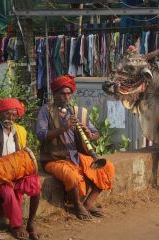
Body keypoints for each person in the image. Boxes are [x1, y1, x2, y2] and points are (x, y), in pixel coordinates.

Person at [36, 75, 114, 220]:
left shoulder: (79, 112)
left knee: (107, 167)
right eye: (62, 94)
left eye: (68, 94)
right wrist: (64, 128)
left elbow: (96, 133)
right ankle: (77, 205)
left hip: (76, 155)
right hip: (54, 158)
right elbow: (41, 135)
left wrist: (89, 134)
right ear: (54, 94)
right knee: (72, 176)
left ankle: (89, 203)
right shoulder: (45, 111)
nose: (66, 97)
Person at [0, 98, 41, 240]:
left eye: (14, 115)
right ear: (0, 113)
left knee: (35, 185)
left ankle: (31, 222)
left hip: (16, 173)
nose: (10, 118)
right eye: (7, 114)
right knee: (8, 191)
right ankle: (16, 226)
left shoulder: (18, 131)